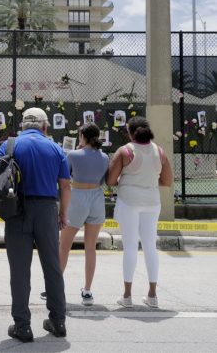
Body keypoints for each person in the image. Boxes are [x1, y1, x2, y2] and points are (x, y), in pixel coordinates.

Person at [0, 107, 71, 342]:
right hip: (46, 210)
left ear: (22, 125)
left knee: (20, 270)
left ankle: (22, 326)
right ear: (45, 126)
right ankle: (58, 320)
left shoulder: (9, 146)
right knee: (52, 266)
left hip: (16, 210)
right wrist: (63, 213)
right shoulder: (55, 148)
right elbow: (64, 185)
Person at [107, 116, 173, 308]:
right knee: (150, 247)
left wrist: (128, 182)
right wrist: (149, 182)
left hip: (129, 201)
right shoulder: (159, 151)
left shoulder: (125, 151)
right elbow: (167, 181)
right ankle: (152, 295)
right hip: (152, 202)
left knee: (130, 247)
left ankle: (127, 296)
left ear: (129, 132)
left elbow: (111, 180)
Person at [41, 123, 109, 306]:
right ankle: (87, 291)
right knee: (90, 248)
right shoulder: (104, 157)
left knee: (64, 246)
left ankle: (54, 289)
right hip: (96, 198)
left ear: (83, 137)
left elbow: (65, 176)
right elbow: (103, 180)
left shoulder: (73, 155)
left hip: (77, 197)